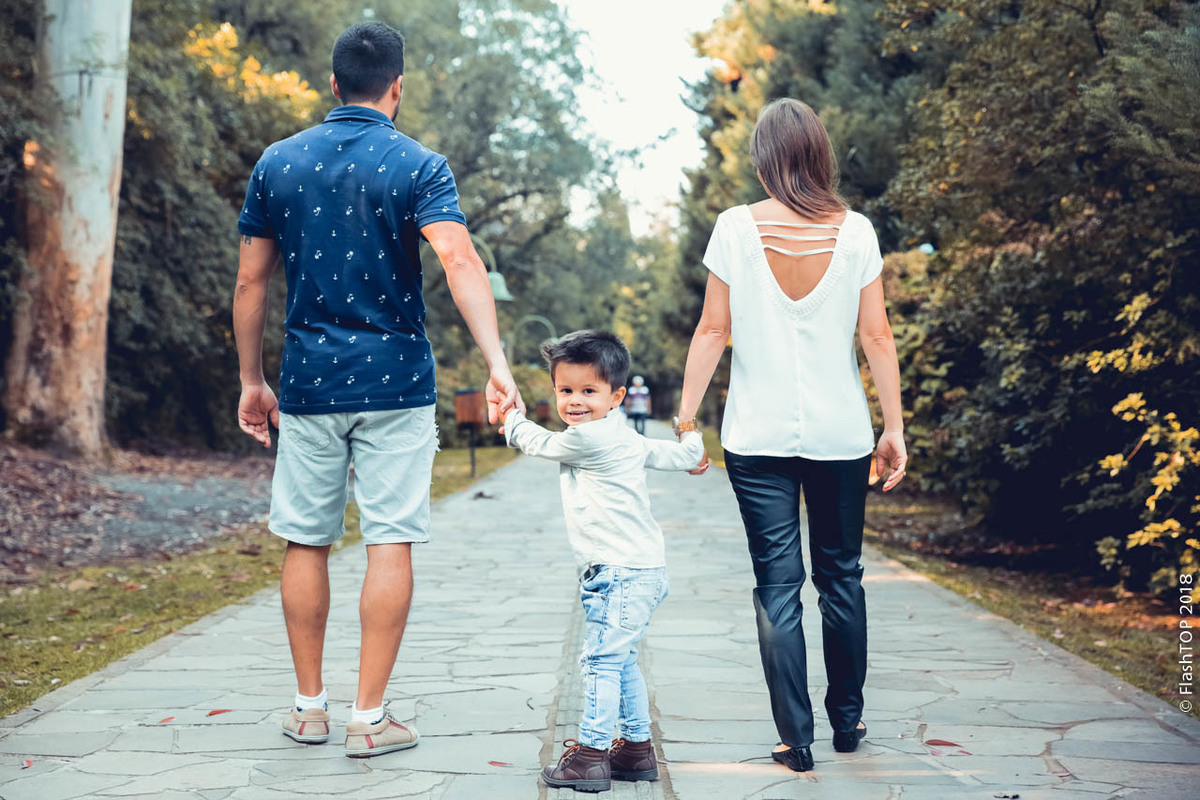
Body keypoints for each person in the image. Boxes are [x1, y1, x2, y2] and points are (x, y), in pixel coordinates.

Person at [232, 21, 522, 758]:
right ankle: (369, 719)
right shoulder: (420, 165)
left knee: (306, 538)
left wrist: (251, 380)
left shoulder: (278, 162)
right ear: (397, 87)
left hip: (308, 384)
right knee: (389, 537)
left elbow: (250, 283)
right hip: (396, 384)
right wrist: (497, 363)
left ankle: (308, 710)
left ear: (333, 84)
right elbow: (459, 261)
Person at [676, 98, 907, 772]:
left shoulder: (734, 228)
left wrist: (687, 420)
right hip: (842, 435)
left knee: (777, 585)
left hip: (757, 436)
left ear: (764, 159)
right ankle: (848, 721)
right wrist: (893, 426)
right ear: (819, 156)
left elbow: (712, 329)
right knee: (842, 579)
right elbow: (877, 336)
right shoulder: (857, 232)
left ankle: (795, 739)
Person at [501, 330, 704, 792]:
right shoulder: (626, 437)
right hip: (641, 569)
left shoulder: (588, 439)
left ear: (616, 396)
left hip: (618, 572)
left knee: (599, 663)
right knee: (622, 660)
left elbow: (537, 442)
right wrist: (692, 440)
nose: (575, 401)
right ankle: (635, 749)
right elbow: (681, 455)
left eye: (588, 391)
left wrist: (510, 416)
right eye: (565, 390)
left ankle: (591, 757)